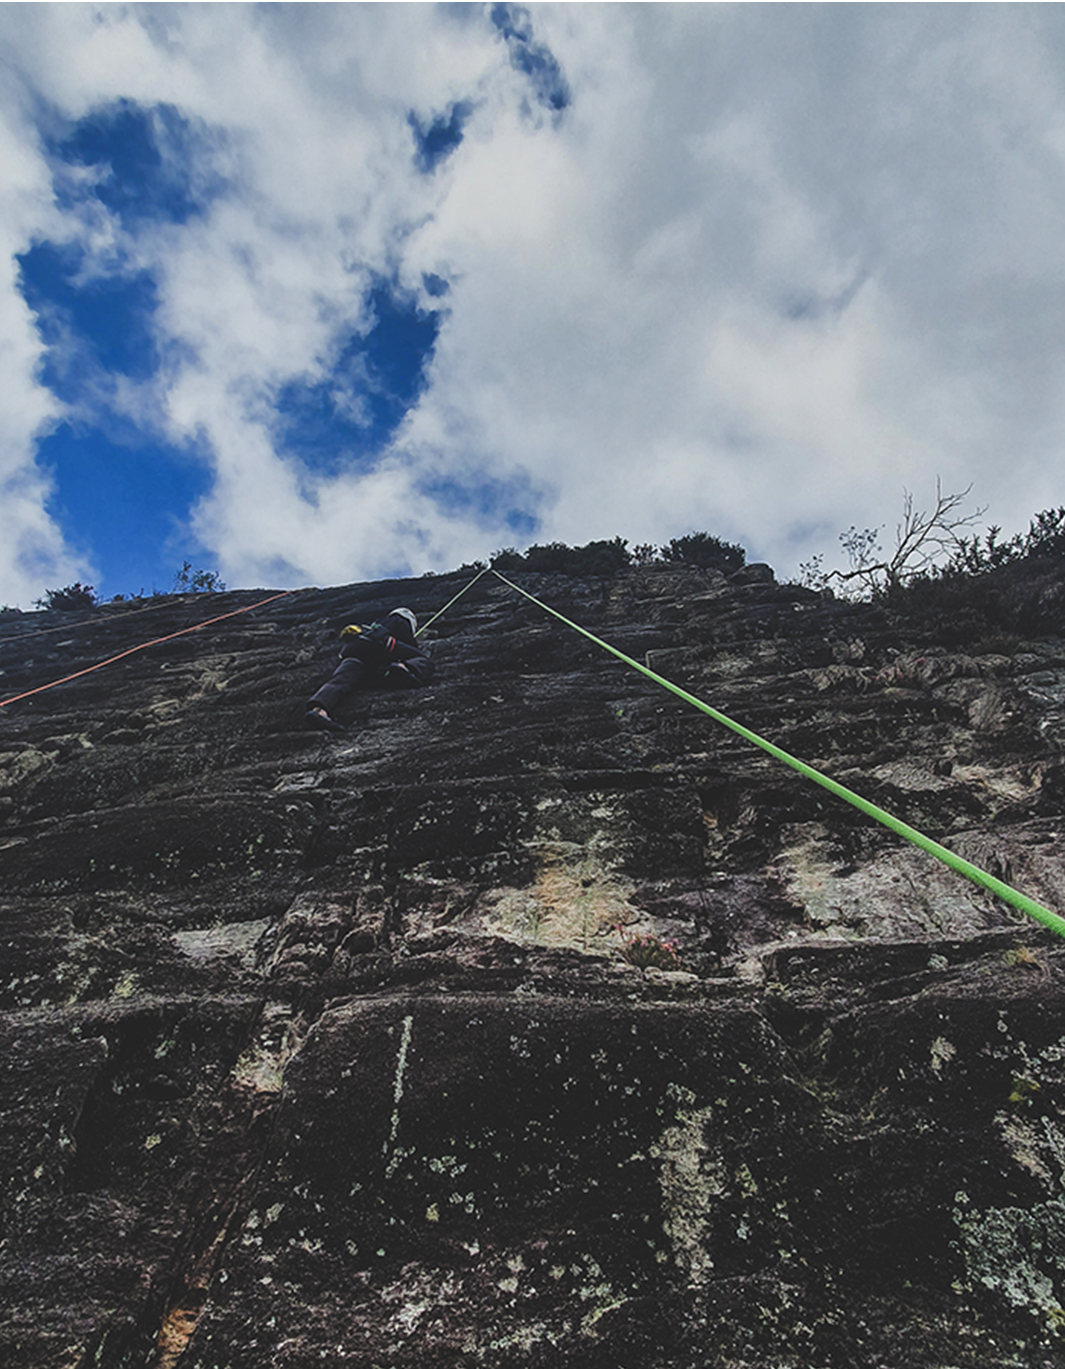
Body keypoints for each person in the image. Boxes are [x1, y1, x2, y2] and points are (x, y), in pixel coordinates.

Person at [305, 606, 434, 732]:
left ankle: (319, 710)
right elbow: (409, 645)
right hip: (381, 645)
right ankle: (404, 667)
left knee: (340, 680)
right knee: (423, 659)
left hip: (354, 652)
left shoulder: (376, 624)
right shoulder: (400, 619)